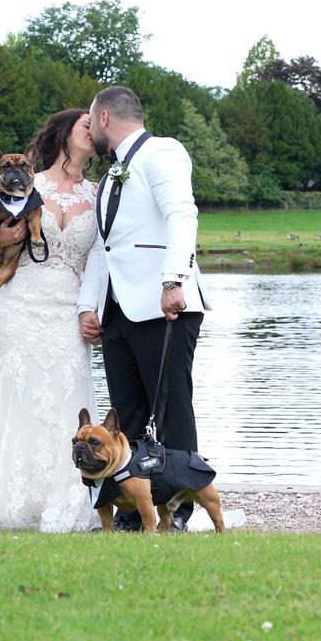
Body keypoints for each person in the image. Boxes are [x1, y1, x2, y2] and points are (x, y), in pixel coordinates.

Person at [77, 86, 210, 531]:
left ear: (106, 118)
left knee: (172, 412)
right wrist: (88, 305)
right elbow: (104, 247)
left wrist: (174, 280)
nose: (90, 129)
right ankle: (137, 511)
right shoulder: (110, 176)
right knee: (126, 415)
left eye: (91, 120)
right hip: (117, 312)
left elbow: (182, 215)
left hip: (163, 305)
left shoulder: (162, 152)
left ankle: (181, 509)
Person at [0, 109, 100, 533]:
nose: (94, 131)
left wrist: (96, 308)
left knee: (68, 400)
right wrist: (0, 237)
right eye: (86, 125)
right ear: (64, 134)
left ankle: (70, 499)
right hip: (18, 304)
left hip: (70, 309)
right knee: (22, 399)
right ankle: (17, 500)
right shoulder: (26, 180)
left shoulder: (100, 193)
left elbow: (103, 259)